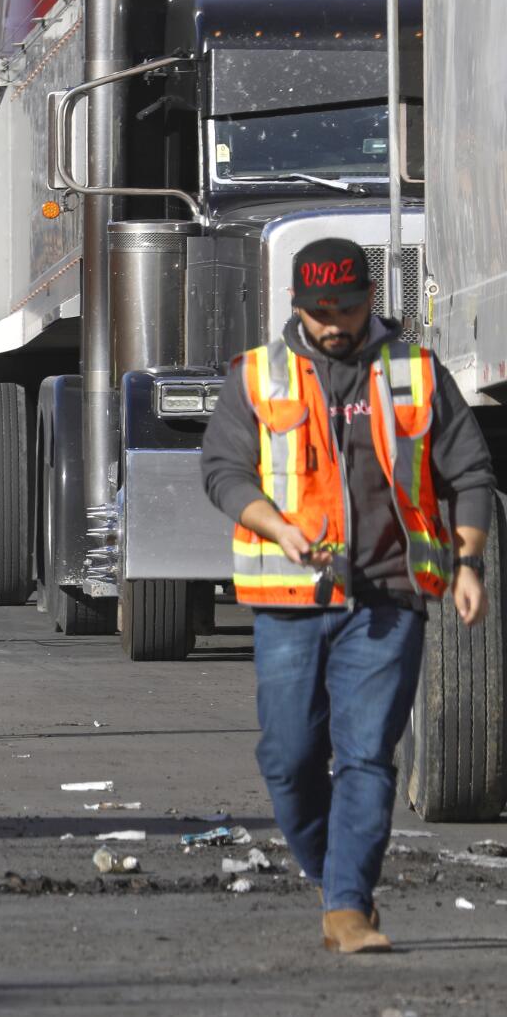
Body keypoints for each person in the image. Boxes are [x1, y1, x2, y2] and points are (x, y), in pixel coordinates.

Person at [201, 237, 492, 954]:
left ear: (372, 301)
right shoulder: (258, 377)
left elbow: (472, 472)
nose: (335, 322)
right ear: (297, 306)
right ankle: (328, 869)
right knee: (290, 755)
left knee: (365, 754)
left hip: (390, 597)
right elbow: (221, 470)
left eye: (349, 307)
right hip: (288, 600)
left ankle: (348, 908)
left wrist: (468, 563)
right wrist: (273, 523)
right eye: (319, 309)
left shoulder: (415, 373)